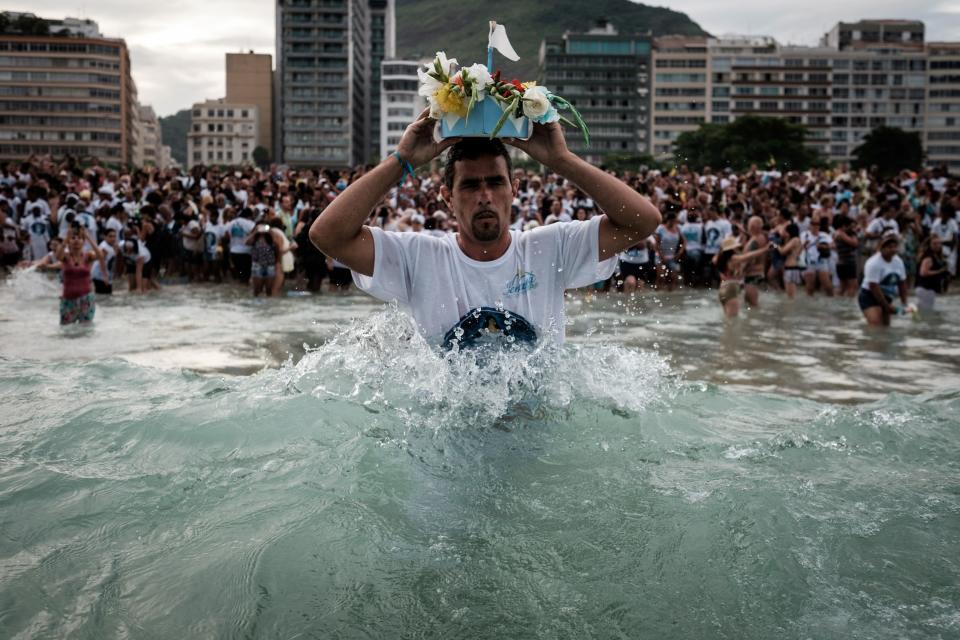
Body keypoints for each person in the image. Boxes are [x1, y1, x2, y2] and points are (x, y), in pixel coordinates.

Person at [308, 110, 661, 347]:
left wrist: (561, 161)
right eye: (470, 186)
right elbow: (327, 236)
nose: (485, 196)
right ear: (447, 196)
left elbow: (643, 221)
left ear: (515, 189)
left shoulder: (551, 247)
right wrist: (402, 162)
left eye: (495, 183)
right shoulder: (419, 255)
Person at [58, 226, 105, 325]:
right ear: (69, 241)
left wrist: (88, 237)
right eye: (73, 238)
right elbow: (58, 255)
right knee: (66, 331)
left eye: (79, 238)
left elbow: (100, 255)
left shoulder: (88, 256)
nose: (76, 240)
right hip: (68, 299)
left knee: (86, 331)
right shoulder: (66, 257)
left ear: (83, 242)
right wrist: (66, 239)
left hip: (86, 299)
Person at [859, 234, 908, 327]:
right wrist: (887, 306)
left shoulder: (898, 262)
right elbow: (873, 286)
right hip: (869, 295)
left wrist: (904, 303)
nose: (893, 249)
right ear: (881, 248)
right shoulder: (873, 263)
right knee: (876, 325)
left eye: (894, 247)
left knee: (886, 327)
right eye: (889, 247)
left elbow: (902, 283)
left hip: (887, 295)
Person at [714, 236, 769, 318]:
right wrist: (765, 249)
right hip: (731, 288)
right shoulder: (733, 258)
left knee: (727, 320)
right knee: (733, 320)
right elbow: (749, 256)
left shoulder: (718, 258)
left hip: (722, 288)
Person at [915, 235, 949, 312]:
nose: (937, 245)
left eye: (939, 243)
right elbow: (923, 272)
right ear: (929, 245)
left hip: (926, 288)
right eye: (934, 244)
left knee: (924, 311)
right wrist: (940, 271)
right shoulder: (928, 257)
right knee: (926, 311)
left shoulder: (935, 256)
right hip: (925, 288)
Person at [741, 215, 767, 308]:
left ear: (751, 226)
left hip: (753, 274)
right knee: (750, 304)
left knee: (753, 305)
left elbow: (751, 259)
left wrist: (740, 271)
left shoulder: (756, 239)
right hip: (755, 274)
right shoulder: (758, 237)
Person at [246, 223, 279, 297]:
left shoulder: (270, 239)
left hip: (270, 265)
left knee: (269, 289)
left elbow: (277, 246)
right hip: (257, 265)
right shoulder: (255, 238)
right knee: (257, 290)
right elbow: (247, 242)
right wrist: (255, 232)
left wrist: (270, 231)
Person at [833, 214, 860, 297]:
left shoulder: (839, 233)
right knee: (853, 286)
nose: (851, 227)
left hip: (842, 263)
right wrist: (854, 233)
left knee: (843, 287)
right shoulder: (841, 233)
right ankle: (848, 307)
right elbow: (855, 243)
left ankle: (839, 304)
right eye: (849, 226)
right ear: (844, 225)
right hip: (847, 263)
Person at [90, 227, 119, 294]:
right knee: (104, 295)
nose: (113, 238)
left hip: (104, 274)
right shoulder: (104, 247)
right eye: (110, 236)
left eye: (114, 236)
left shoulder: (110, 246)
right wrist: (105, 276)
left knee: (106, 296)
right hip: (100, 275)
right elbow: (101, 262)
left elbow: (112, 259)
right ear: (105, 237)